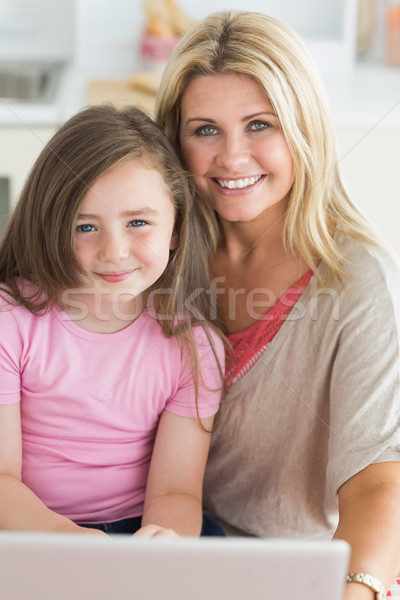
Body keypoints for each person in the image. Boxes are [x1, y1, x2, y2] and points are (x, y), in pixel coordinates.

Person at [155, 9, 400, 598]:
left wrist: (358, 588)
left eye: (260, 125)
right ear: (175, 140)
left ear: (304, 127)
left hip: (295, 571)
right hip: (163, 550)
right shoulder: (153, 250)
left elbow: (378, 481)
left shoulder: (360, 279)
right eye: (205, 129)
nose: (232, 158)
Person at [0, 104, 226, 538]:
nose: (114, 251)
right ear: (53, 227)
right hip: (26, 527)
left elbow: (176, 493)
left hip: (136, 530)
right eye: (86, 227)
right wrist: (72, 541)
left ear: (176, 227)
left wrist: (161, 543)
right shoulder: (12, 322)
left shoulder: (193, 347)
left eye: (138, 222)